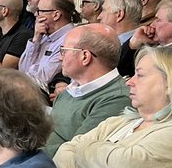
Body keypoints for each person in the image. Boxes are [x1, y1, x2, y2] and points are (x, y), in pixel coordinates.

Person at [44, 23, 132, 155]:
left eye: (64, 50)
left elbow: (75, 153)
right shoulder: (72, 89)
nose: (59, 57)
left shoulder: (116, 99)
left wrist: (18, 152)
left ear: (85, 57)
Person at [18, 0, 78, 91]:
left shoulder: (71, 39)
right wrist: (35, 40)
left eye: (40, 11)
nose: (36, 15)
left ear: (56, 15)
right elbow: (22, 69)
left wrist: (30, 71)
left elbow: (43, 79)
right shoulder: (43, 35)